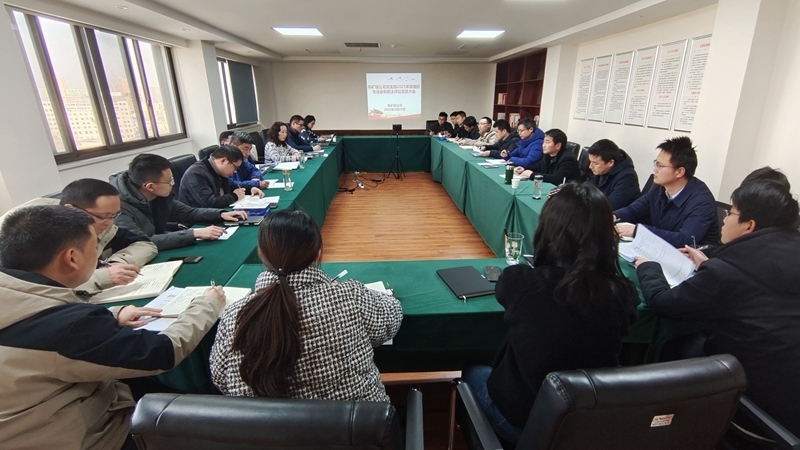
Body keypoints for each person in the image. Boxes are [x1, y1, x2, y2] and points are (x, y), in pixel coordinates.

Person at [0, 205, 226, 450]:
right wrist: (208, 304)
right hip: (78, 437)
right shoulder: (70, 326)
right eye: (95, 246)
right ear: (72, 258)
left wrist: (112, 315)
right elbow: (161, 352)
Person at [462, 183, 638, 444]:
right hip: (587, 422)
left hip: (524, 421)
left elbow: (506, 289)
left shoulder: (523, 281)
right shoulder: (622, 290)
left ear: (549, 230)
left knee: (472, 371)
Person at [634, 180, 800, 436]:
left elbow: (663, 304)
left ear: (749, 225)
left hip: (753, 406)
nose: (724, 219)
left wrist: (648, 267)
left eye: (730, 213)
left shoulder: (727, 272)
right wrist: (710, 266)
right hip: (790, 399)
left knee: (675, 341)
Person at [210, 209, 402, 401]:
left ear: (262, 254)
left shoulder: (235, 315)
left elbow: (220, 379)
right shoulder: (350, 296)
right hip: (359, 419)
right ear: (318, 254)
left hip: (267, 421)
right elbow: (391, 318)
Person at [0, 179, 157, 294]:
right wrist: (102, 277)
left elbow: (144, 244)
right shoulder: (31, 231)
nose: (110, 223)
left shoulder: (101, 223)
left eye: (114, 215)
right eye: (104, 216)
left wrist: (116, 263)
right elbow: (33, 289)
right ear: (72, 210)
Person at [111, 154, 247, 250]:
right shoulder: (117, 207)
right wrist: (194, 233)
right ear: (150, 186)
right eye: (169, 181)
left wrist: (220, 214)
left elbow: (188, 213)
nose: (173, 184)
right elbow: (143, 241)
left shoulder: (158, 195)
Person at [614, 136, 719, 247]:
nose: (655, 169)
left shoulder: (702, 201)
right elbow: (635, 209)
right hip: (659, 248)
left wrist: (638, 231)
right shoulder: (659, 188)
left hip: (688, 255)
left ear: (679, 172)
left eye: (660, 166)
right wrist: (613, 216)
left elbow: (685, 239)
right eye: (656, 164)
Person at [178, 145, 264, 208]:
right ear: (223, 161)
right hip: (195, 223)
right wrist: (234, 196)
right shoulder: (195, 174)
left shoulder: (217, 169)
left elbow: (233, 186)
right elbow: (210, 203)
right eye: (235, 167)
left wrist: (250, 189)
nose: (235, 171)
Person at [585, 139, 640, 209]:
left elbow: (610, 206)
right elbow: (586, 189)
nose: (590, 166)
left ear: (611, 163)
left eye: (595, 163)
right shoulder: (598, 169)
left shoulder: (628, 177)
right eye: (590, 162)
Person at [515, 128, 579, 184]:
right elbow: (538, 166)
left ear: (558, 145)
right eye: (544, 142)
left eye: (547, 142)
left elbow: (557, 179)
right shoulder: (548, 154)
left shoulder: (568, 158)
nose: (543, 145)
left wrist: (532, 175)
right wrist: (524, 169)